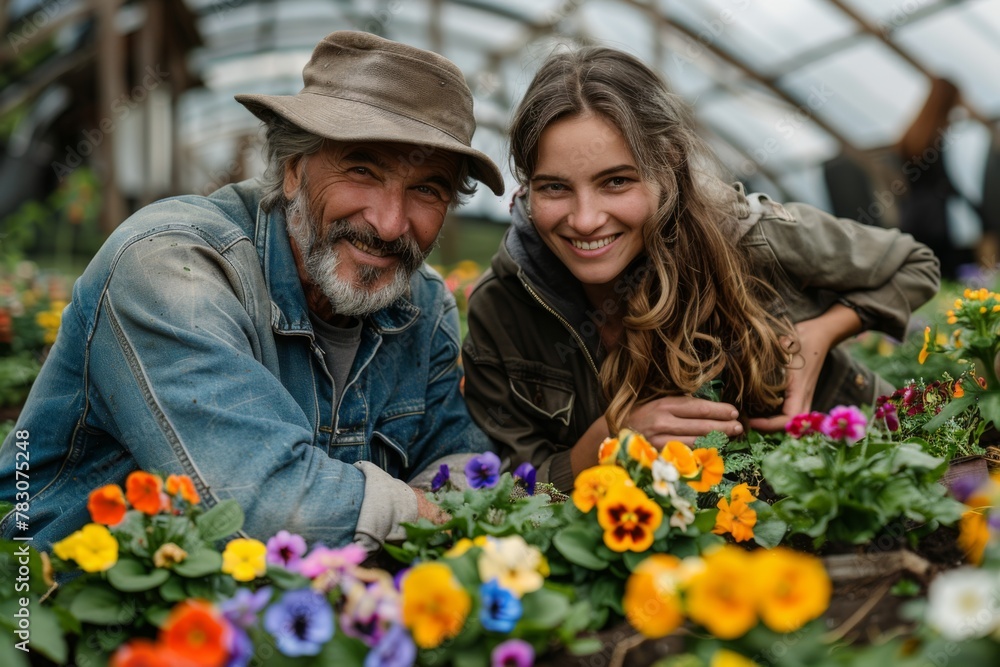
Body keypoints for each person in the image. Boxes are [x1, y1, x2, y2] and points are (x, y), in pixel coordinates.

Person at [0, 31, 505, 551]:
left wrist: (430, 513)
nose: (390, 223)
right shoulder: (169, 266)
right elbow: (261, 505)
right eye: (362, 170)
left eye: (426, 188)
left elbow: (461, 464)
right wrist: (428, 520)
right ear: (292, 170)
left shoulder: (420, 306)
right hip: (54, 604)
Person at [462, 46, 940, 492]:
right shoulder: (502, 307)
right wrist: (608, 440)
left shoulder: (744, 236)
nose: (585, 219)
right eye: (554, 188)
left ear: (668, 165)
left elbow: (913, 265)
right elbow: (509, 490)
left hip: (862, 480)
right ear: (526, 188)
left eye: (616, 181)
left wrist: (822, 333)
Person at [897, 77, 979, 280]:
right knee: (955, 277)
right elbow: (952, 181)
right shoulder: (944, 138)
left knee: (927, 277)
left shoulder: (913, 135)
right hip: (942, 222)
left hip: (915, 217)